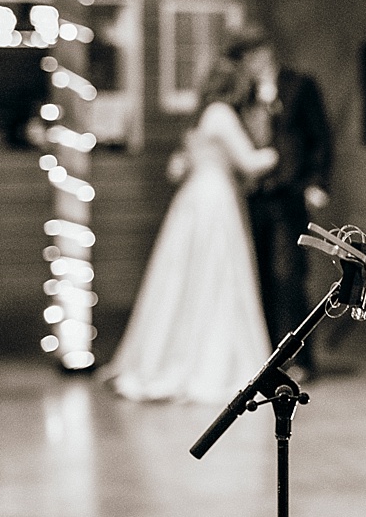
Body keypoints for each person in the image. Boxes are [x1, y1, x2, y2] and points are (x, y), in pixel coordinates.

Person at [102, 59, 279, 404]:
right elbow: (249, 162)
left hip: (193, 199)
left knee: (183, 280)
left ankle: (167, 356)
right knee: (218, 280)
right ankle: (212, 363)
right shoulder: (222, 114)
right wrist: (277, 153)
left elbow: (176, 168)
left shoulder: (199, 117)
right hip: (215, 202)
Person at [224, 24, 333, 378]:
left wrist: (316, 182)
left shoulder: (298, 85)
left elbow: (320, 137)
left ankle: (301, 357)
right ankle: (268, 354)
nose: (248, 63)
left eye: (250, 55)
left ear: (265, 51)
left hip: (289, 192)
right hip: (255, 194)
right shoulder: (242, 93)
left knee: (289, 275)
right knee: (259, 276)